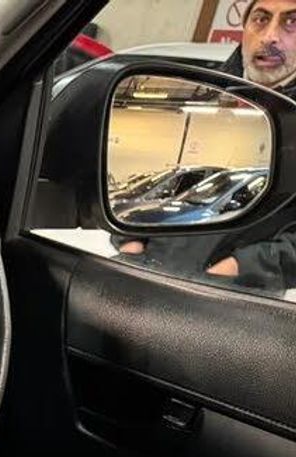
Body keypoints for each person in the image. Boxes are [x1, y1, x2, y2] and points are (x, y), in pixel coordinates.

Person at [119, 0, 296, 292]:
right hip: (142, 276)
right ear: (244, 29)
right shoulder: (201, 96)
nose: (270, 37)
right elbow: (151, 184)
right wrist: (130, 239)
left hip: (230, 301)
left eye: (291, 22)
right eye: (261, 19)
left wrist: (241, 267)